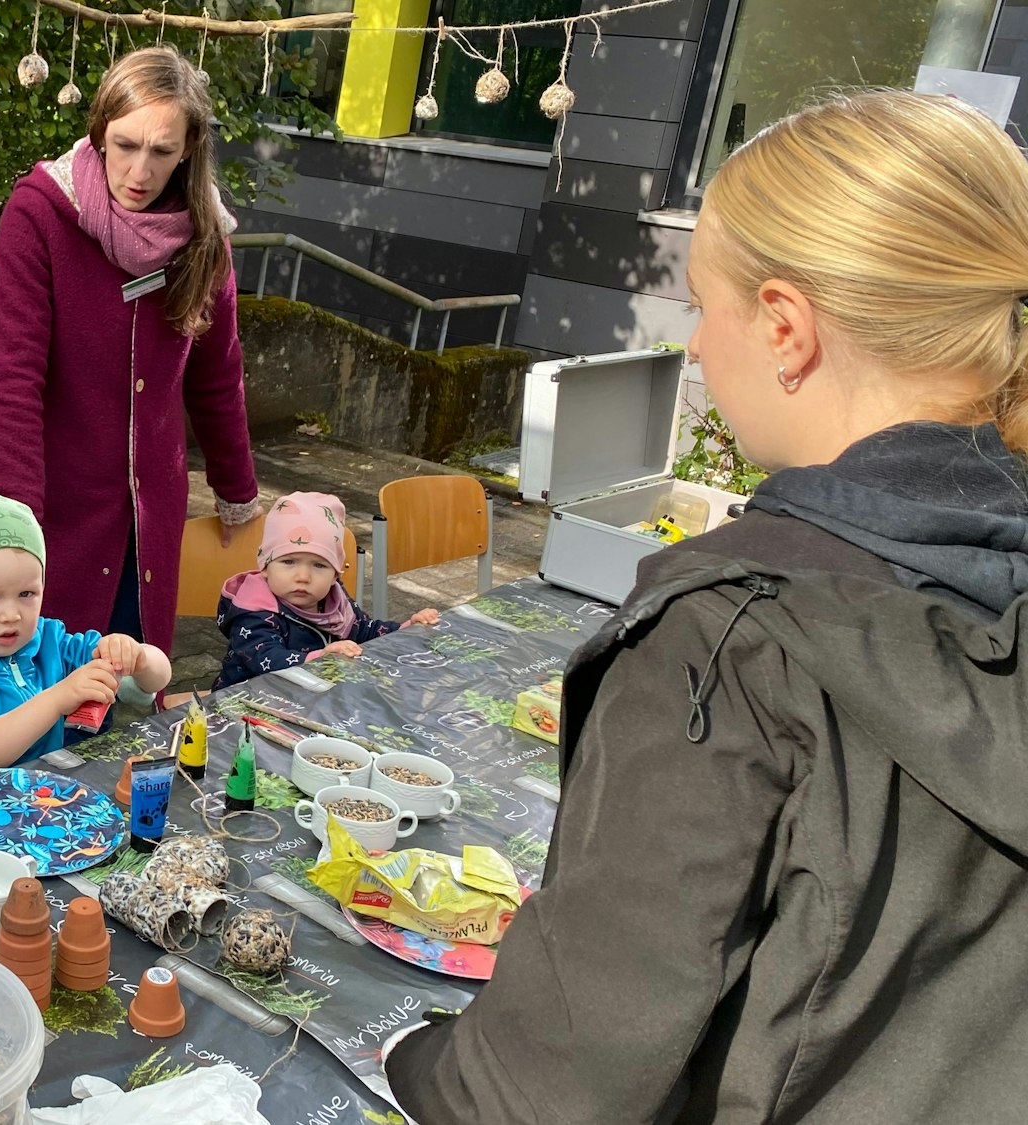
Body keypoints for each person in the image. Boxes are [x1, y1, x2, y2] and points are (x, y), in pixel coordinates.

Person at [383, 90, 1028, 1122]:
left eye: (697, 305)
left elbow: (541, 1092)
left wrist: (412, 1063)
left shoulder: (730, 630)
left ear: (782, 326)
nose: (692, 348)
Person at [0, 45, 260, 655]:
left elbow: (218, 373)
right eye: (126, 145)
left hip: (150, 520)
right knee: (47, 701)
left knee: (132, 696)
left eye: (162, 151)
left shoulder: (206, 235)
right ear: (101, 131)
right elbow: (11, 383)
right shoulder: (39, 215)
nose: (140, 170)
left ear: (188, 149)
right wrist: (14, 527)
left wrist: (238, 489)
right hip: (57, 512)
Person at [0, 491, 171, 798]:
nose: (11, 615)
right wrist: (57, 699)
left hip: (29, 799)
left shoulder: (48, 640)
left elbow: (148, 685)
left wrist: (138, 657)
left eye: (26, 594)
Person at [212, 492, 438, 689]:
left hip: (312, 697)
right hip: (248, 702)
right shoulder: (254, 610)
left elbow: (366, 632)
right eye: (289, 562)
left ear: (335, 575)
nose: (303, 576)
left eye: (319, 565)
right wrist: (321, 657)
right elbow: (265, 658)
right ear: (265, 567)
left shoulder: (335, 600)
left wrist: (407, 628)